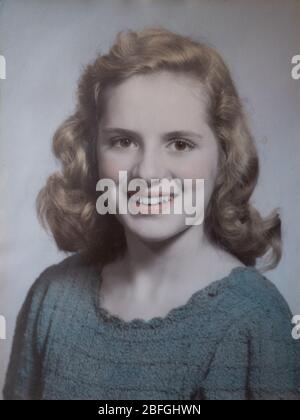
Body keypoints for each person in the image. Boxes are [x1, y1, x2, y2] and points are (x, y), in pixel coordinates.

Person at [3, 26, 300, 400]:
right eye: (123, 141)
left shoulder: (256, 321)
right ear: (93, 152)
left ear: (223, 156)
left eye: (179, 143)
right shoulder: (54, 297)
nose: (148, 173)